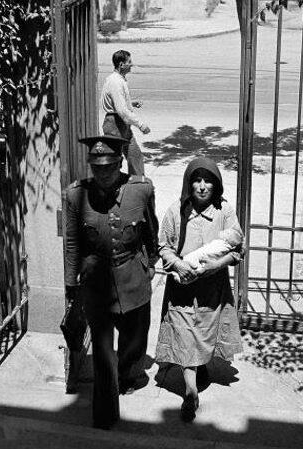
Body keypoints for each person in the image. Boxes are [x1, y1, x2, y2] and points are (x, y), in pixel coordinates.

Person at [64, 135, 158, 429]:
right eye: (97, 168)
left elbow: (150, 231)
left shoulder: (141, 190)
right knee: (104, 353)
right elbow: (72, 243)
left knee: (134, 338)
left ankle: (129, 373)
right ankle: (104, 413)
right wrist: (71, 284)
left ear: (120, 164)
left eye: (109, 168)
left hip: (133, 275)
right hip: (96, 281)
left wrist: (151, 264)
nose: (103, 174)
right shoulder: (75, 195)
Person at [155, 157, 243, 422]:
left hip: (212, 290)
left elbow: (238, 247)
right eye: (197, 180)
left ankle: (200, 367)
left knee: (205, 334)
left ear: (216, 185)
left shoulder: (224, 211)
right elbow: (163, 247)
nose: (202, 186)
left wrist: (217, 264)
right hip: (182, 289)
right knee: (184, 335)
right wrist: (179, 266)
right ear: (188, 184)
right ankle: (190, 392)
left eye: (208, 181)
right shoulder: (175, 211)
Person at [100, 50, 150, 176]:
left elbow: (119, 104)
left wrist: (131, 103)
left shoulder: (118, 80)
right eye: (129, 62)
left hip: (122, 125)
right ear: (121, 65)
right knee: (114, 162)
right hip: (115, 126)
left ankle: (138, 186)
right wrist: (141, 125)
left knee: (135, 157)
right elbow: (122, 111)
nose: (131, 64)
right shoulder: (115, 82)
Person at [170, 228, 243, 284]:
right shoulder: (223, 244)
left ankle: (180, 277)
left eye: (227, 233)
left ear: (226, 239)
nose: (224, 231)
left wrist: (218, 264)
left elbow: (240, 250)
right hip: (197, 260)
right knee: (192, 269)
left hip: (210, 274)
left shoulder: (221, 244)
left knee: (192, 268)